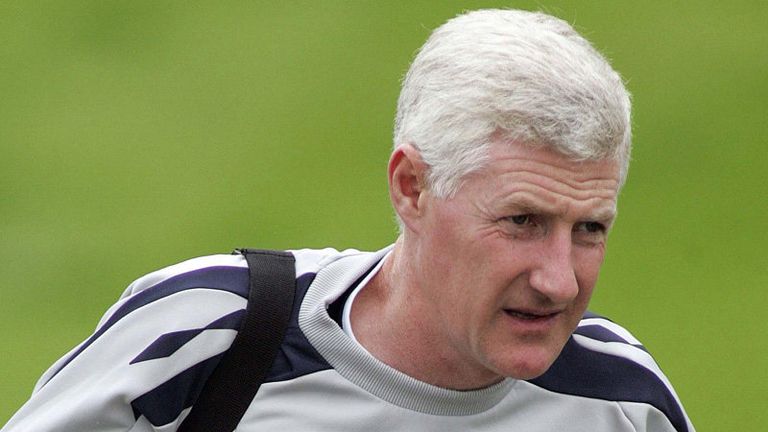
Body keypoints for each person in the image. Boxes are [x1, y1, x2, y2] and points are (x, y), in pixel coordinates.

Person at [3, 9, 694, 432]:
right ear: (412, 187)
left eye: (589, 229)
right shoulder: (202, 339)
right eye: (521, 221)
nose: (559, 282)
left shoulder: (624, 405)